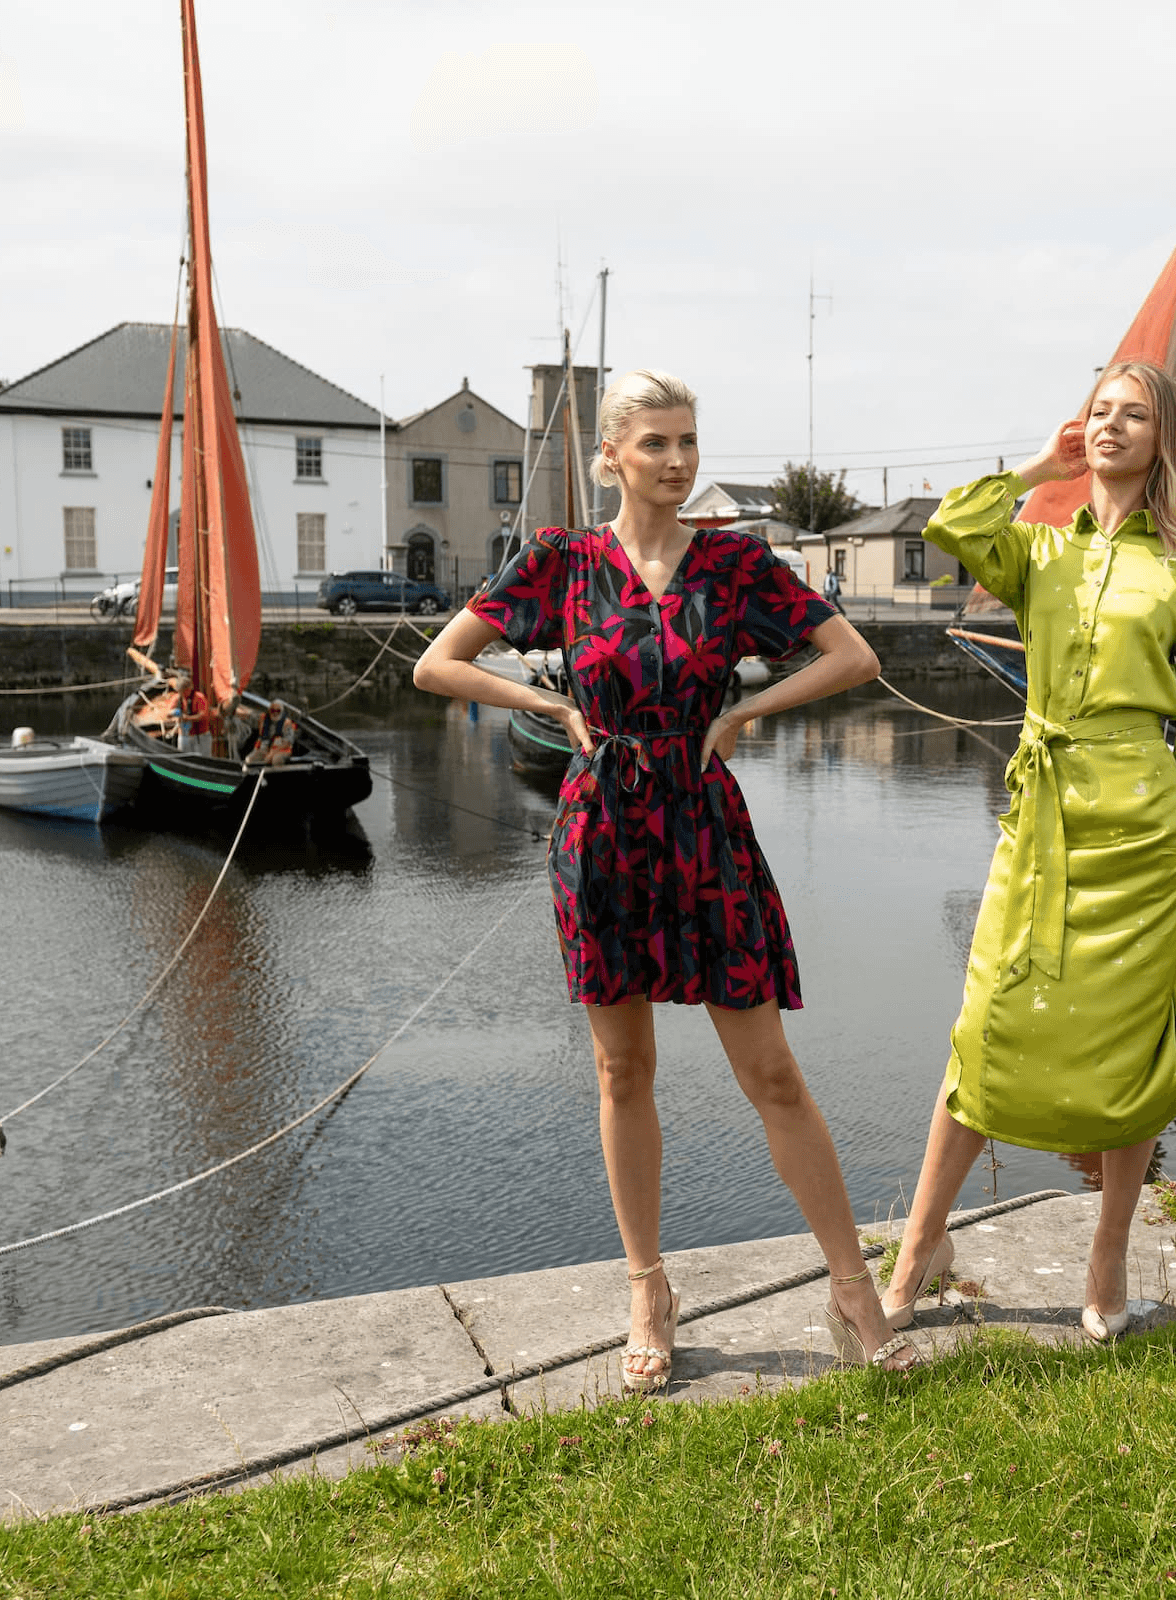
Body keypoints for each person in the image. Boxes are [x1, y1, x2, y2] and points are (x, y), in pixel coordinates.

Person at [412, 369, 923, 1388]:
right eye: (655, 443)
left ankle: (849, 1284)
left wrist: (742, 716)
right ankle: (648, 1284)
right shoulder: (561, 565)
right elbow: (437, 663)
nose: (678, 460)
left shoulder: (735, 564)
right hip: (601, 829)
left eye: (688, 441)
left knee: (770, 1069)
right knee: (621, 1069)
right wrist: (550, 708)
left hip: (703, 827)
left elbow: (853, 656)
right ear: (612, 455)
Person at [877, 361, 1176, 1344]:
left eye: (1133, 415)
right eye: (1099, 412)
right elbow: (948, 529)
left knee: (1127, 1047)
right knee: (987, 1026)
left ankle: (1109, 1246)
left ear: (1162, 439)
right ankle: (920, 1242)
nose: (1110, 426)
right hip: (1042, 823)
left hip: (1145, 830)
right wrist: (1036, 465)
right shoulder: (1040, 553)